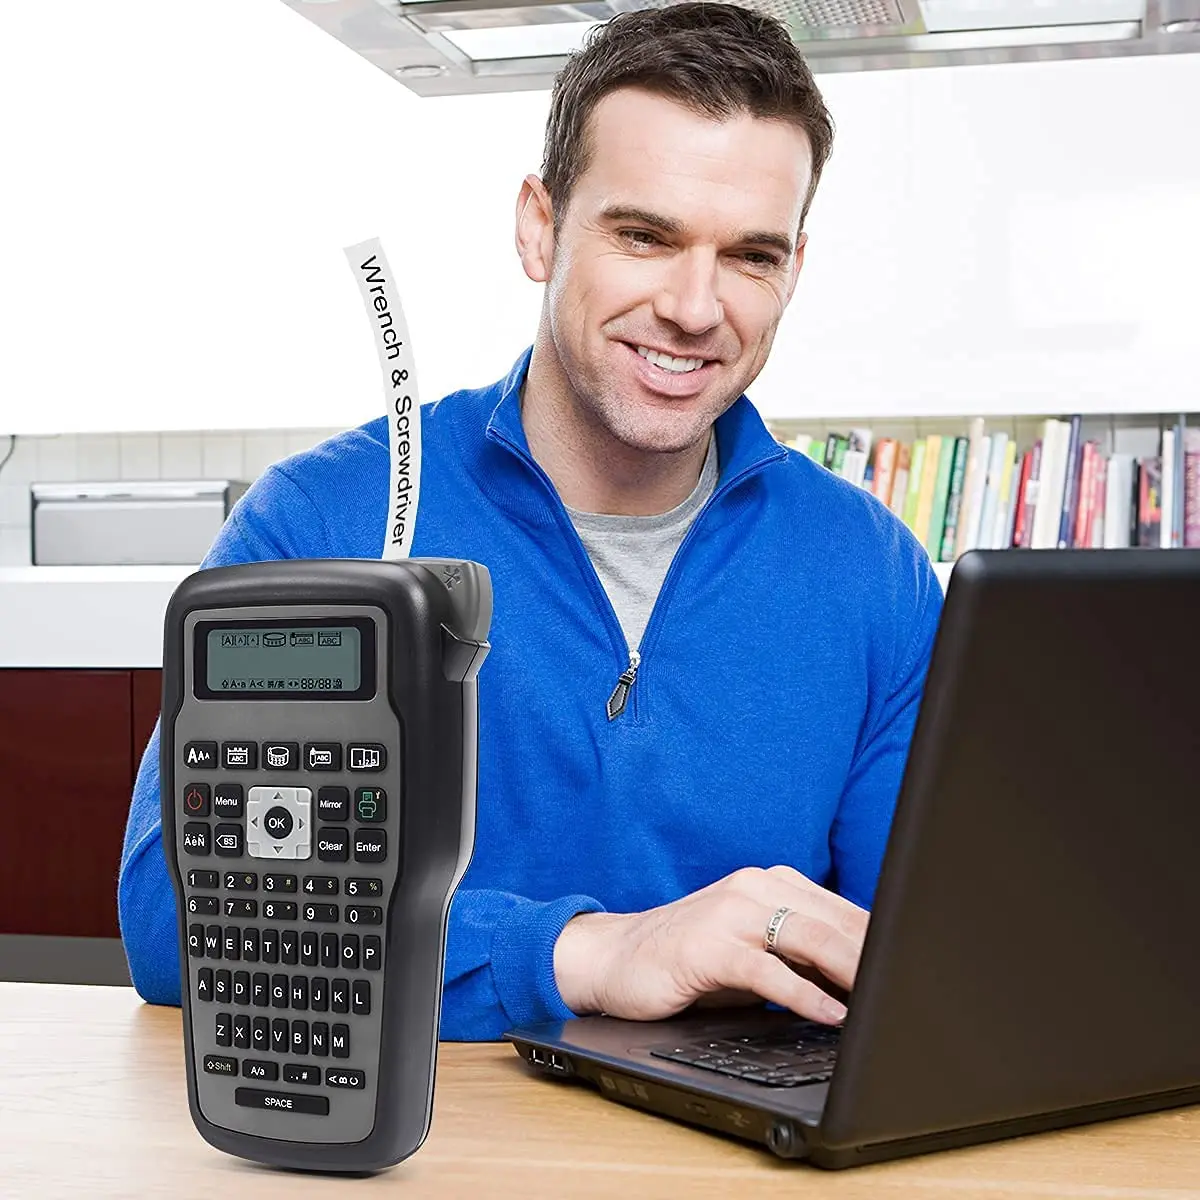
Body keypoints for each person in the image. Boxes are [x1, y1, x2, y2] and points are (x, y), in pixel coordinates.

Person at [118, 1, 943, 1040]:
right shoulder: (326, 520)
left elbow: (921, 947)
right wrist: (586, 954)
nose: (696, 308)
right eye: (644, 236)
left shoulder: (874, 572)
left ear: (794, 270)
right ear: (539, 227)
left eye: (751, 256)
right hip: (430, 1133)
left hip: (751, 1128)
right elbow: (181, 915)